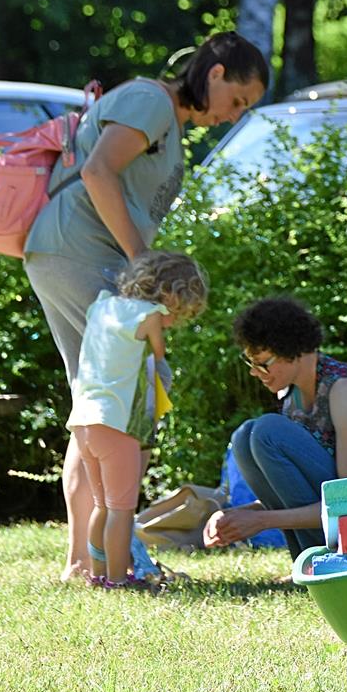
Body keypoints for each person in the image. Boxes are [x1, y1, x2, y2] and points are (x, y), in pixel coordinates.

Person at [23, 32, 269, 582]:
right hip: (81, 257)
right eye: (238, 100)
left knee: (96, 409)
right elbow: (97, 172)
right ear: (216, 73)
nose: (234, 116)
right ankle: (111, 561)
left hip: (80, 258)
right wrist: (143, 265)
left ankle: (84, 562)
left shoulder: (168, 118)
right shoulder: (151, 100)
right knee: (112, 408)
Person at [201, 297, 347, 562]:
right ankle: (308, 559)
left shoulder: (343, 388)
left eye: (262, 362)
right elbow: (295, 494)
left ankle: (325, 559)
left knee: (265, 431)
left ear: (292, 349)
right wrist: (237, 516)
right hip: (334, 517)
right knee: (245, 436)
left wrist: (263, 521)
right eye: (250, 363)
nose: (254, 372)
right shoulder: (292, 399)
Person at [67, 251, 209, 588]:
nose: (172, 322)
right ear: (168, 296)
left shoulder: (101, 305)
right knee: (121, 509)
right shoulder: (150, 315)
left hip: (84, 421)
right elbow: (158, 356)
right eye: (178, 314)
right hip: (117, 425)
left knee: (101, 506)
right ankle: (119, 579)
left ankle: (97, 574)